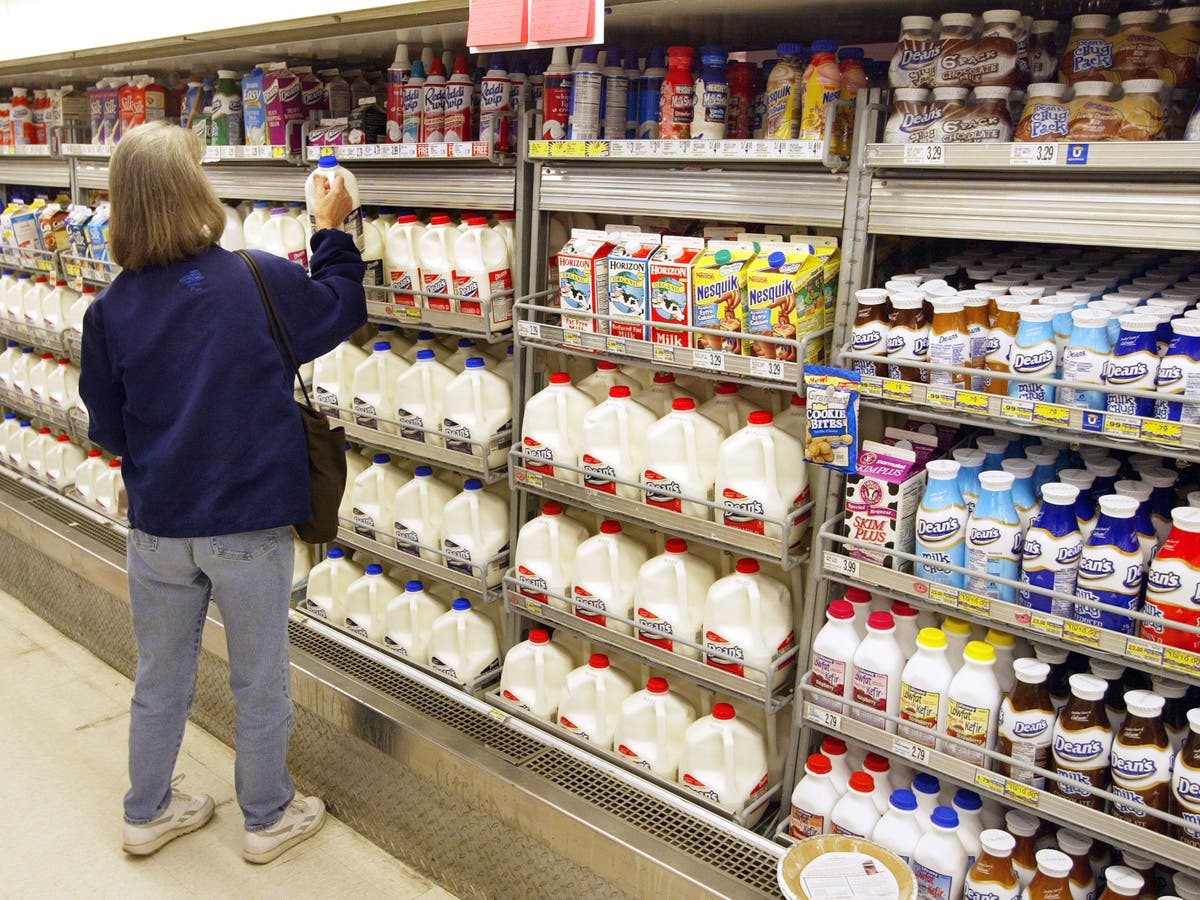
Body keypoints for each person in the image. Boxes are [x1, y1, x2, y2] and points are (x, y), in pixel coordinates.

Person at [78, 121, 366, 864]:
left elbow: (107, 429)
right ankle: (267, 816)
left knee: (160, 675)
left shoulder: (109, 312)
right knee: (258, 679)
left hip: (159, 526)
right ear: (195, 192)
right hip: (250, 521)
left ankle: (147, 811)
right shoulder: (257, 278)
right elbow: (339, 306)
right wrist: (331, 229)